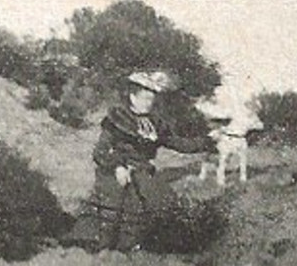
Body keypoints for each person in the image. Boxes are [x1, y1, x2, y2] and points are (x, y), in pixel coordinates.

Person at [84, 70, 214, 253]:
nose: (149, 103)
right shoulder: (117, 119)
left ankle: (142, 250)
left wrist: (208, 141)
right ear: (132, 97)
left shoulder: (155, 123)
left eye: (151, 100)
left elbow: (179, 143)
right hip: (115, 171)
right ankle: (106, 251)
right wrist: (118, 166)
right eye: (145, 99)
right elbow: (100, 152)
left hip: (143, 172)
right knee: (114, 212)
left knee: (164, 205)